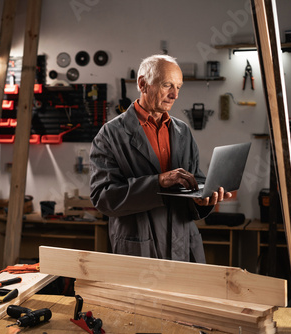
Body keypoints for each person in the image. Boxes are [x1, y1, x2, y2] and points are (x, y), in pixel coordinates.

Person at [89, 54, 231, 263]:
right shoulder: (110, 134)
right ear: (143, 84)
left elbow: (195, 182)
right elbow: (103, 198)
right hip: (139, 246)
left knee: (184, 297)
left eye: (178, 87)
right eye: (167, 85)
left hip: (183, 244)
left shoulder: (182, 131)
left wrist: (204, 199)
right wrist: (158, 182)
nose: (174, 95)